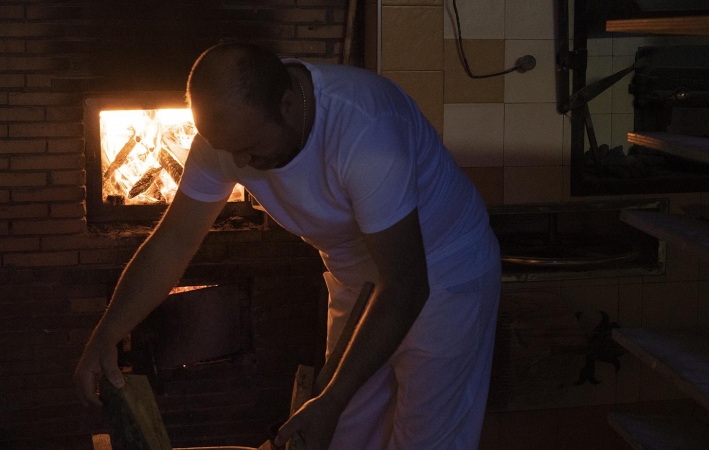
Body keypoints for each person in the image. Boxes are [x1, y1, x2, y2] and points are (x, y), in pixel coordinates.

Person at [73, 41, 501, 450]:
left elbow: (407, 286)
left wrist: (330, 400)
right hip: (358, 278)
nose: (240, 164)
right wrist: (108, 333)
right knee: (345, 436)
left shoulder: (365, 132)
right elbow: (172, 243)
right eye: (227, 150)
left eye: (252, 149)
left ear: (288, 106)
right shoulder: (227, 138)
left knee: (425, 438)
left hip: (442, 270)